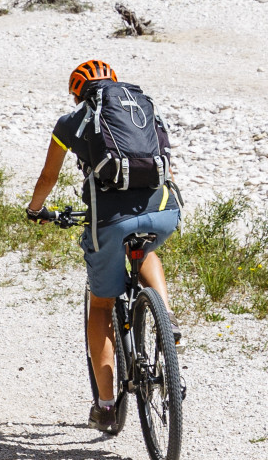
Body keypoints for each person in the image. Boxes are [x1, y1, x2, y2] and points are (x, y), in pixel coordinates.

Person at [25, 57, 180, 431]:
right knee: (147, 249)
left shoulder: (71, 122)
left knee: (101, 307)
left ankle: (107, 407)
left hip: (109, 222)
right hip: (164, 211)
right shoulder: (141, 107)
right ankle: (166, 317)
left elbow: (49, 175)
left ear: (77, 92)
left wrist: (36, 210)